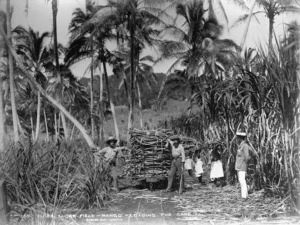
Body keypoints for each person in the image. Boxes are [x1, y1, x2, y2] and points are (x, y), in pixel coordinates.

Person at [235, 131, 251, 200]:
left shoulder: (245, 146)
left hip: (242, 165)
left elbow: (247, 157)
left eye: (237, 137)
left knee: (242, 181)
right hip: (239, 166)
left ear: (240, 138)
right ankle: (245, 195)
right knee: (241, 180)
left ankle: (244, 197)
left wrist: (245, 164)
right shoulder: (240, 145)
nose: (236, 139)